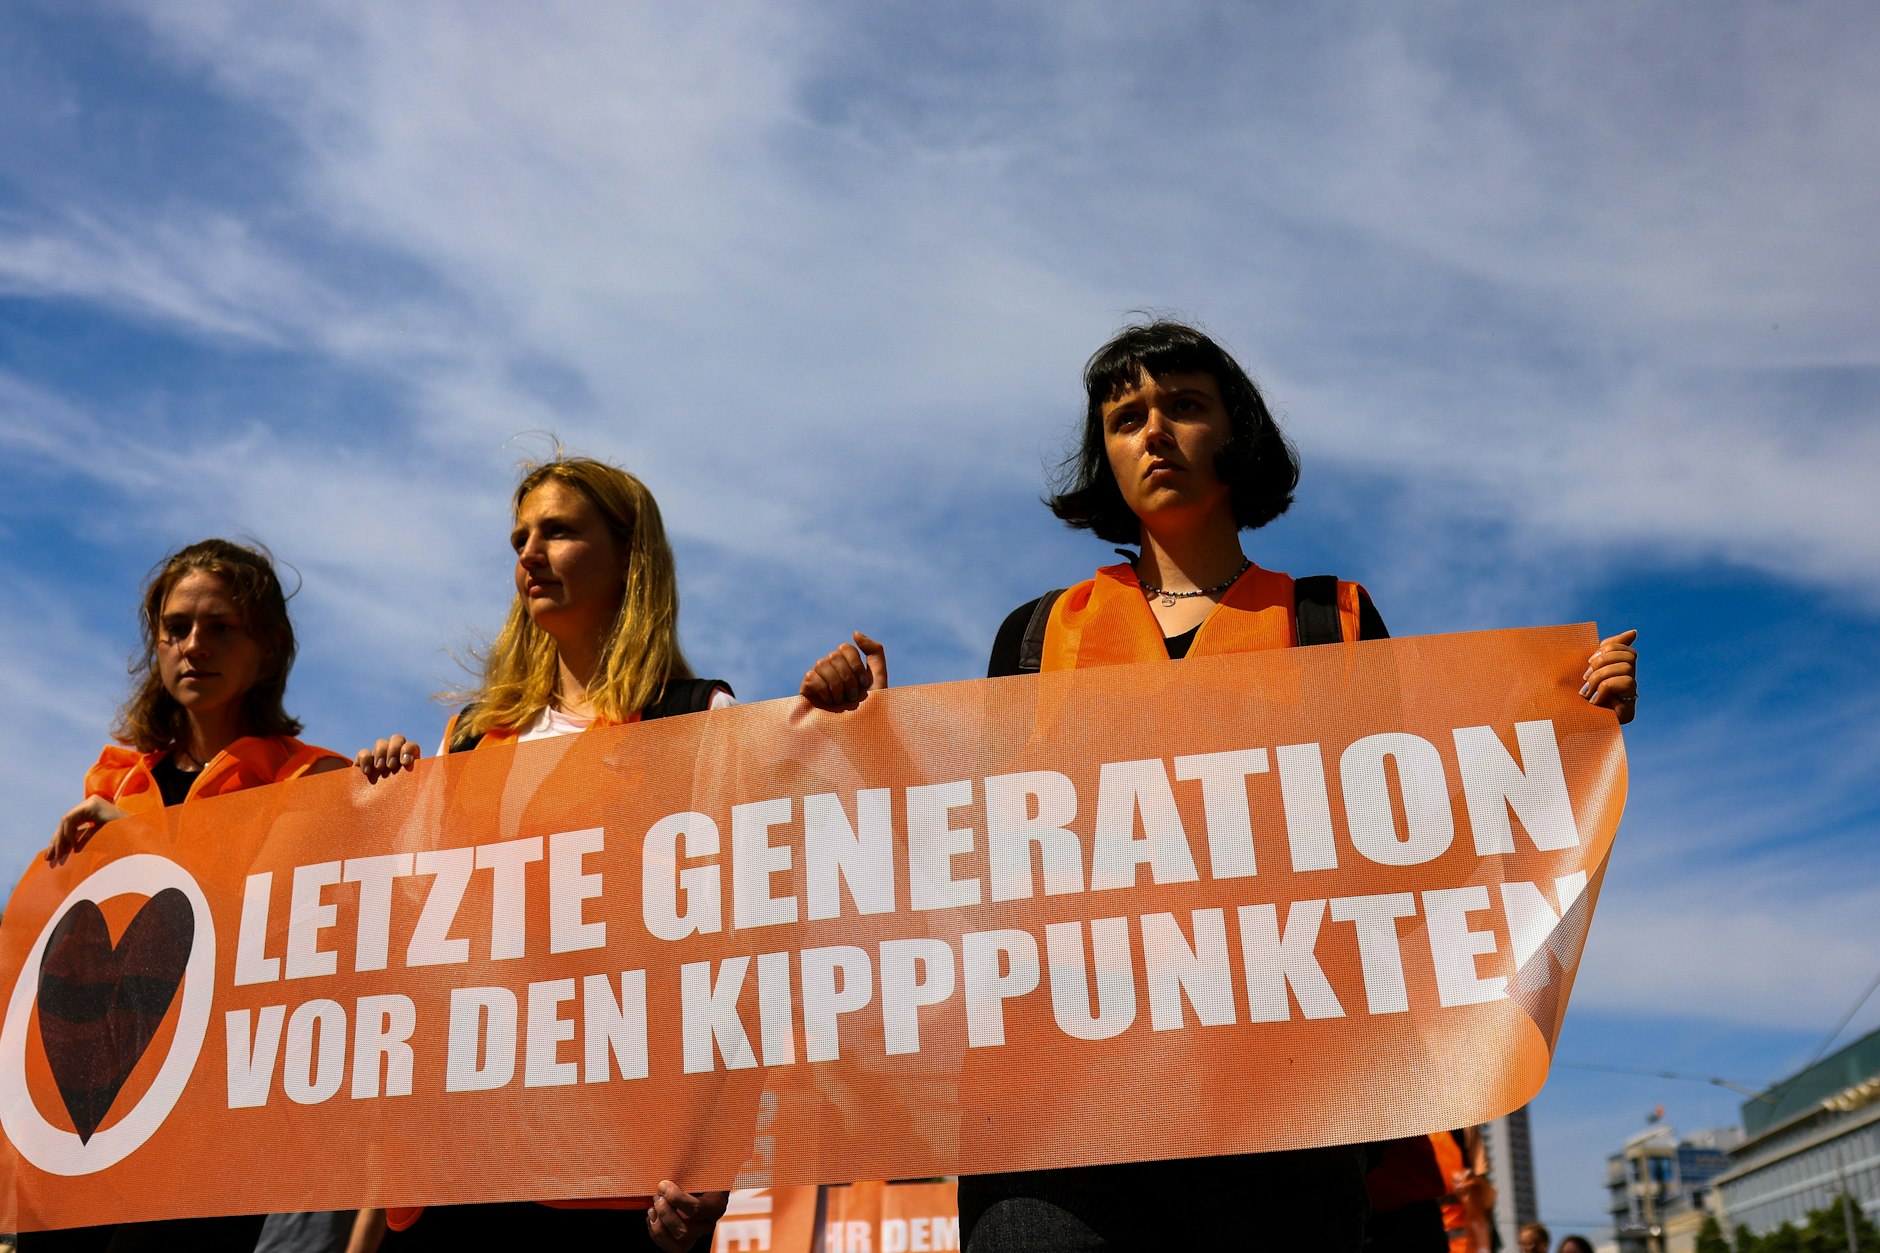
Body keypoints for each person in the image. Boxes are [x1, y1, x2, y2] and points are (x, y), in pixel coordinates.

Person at [802, 319, 1641, 1250]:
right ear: (1107, 459)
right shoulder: (1037, 635)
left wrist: (1565, 720)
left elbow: (1420, 834)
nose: (1155, 431)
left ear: (1235, 435)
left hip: (1282, 1125)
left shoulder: (1333, 621)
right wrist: (867, 739)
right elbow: (977, 848)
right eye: (1127, 418)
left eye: (1185, 406)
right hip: (1056, 1125)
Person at [357, 455, 730, 1253]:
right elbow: (416, 956)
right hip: (451, 1167)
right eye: (520, 536)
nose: (528, 553)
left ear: (631, 554)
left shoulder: (692, 719)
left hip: (605, 1174)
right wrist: (373, 810)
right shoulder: (467, 737)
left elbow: (735, 956)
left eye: (558, 531)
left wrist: (714, 1172)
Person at [33, 539, 352, 1252]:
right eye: (176, 627)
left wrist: (137, 844)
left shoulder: (311, 779)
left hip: (227, 1118)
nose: (193, 645)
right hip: (98, 1117)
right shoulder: (113, 783)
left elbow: (266, 931)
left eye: (221, 627)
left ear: (267, 650)